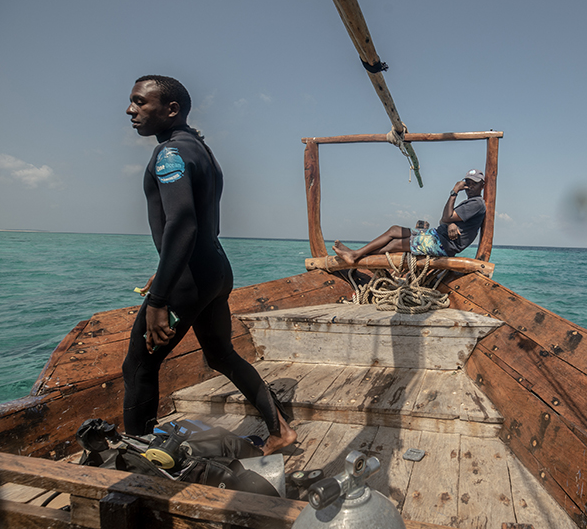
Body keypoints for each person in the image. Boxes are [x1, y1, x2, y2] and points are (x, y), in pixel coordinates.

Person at [123, 75, 295, 455]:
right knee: (220, 354)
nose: (130, 110)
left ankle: (136, 462)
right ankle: (280, 431)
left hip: (190, 279)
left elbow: (182, 222)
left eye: (140, 102)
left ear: (171, 109)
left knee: (138, 368)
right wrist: (168, 269)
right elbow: (205, 226)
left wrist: (159, 299)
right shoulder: (201, 150)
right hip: (214, 269)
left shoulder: (169, 154)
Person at [333, 169, 486, 263]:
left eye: (474, 183)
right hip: (436, 235)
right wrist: (450, 223)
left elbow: (446, 217)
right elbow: (443, 219)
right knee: (394, 230)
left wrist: (454, 192)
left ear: (482, 185)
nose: (470, 186)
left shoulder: (477, 203)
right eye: (468, 182)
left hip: (443, 245)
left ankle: (355, 255)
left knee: (394, 245)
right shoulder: (469, 203)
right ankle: (355, 253)